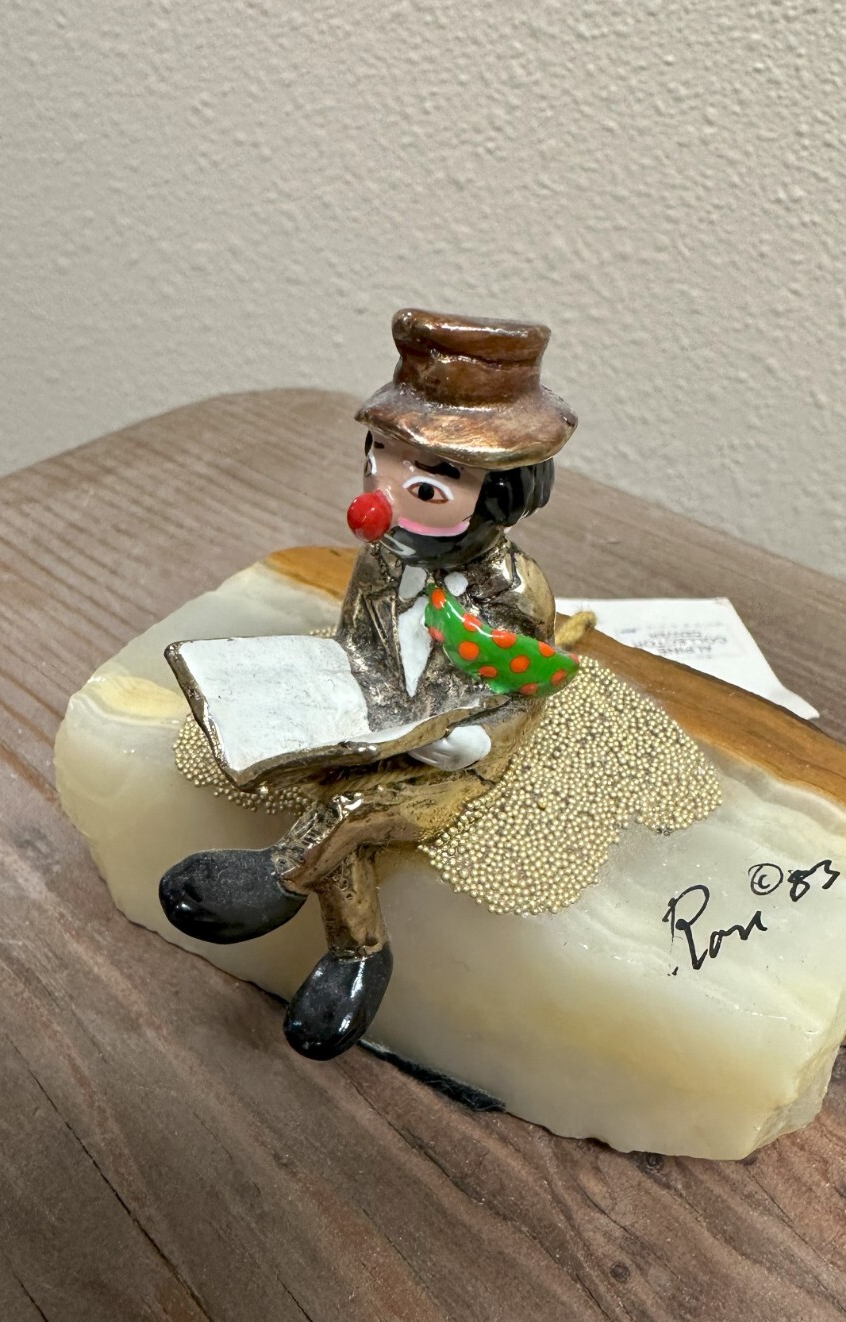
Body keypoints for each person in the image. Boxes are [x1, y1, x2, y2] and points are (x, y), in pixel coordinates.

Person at [159, 308, 578, 1059]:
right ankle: (360, 954)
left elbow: (529, 686)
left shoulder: (514, 590)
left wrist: (473, 742)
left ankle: (278, 882)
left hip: (452, 758)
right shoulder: (382, 559)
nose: (384, 492)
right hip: (372, 722)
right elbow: (358, 641)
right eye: (379, 456)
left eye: (434, 476)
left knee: (352, 814)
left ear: (502, 492)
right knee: (314, 783)